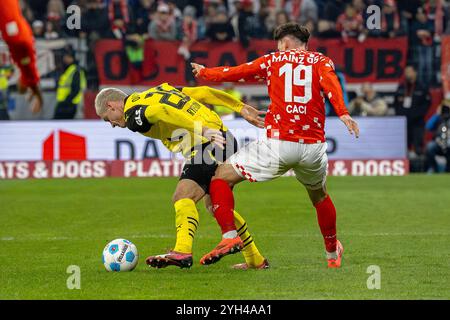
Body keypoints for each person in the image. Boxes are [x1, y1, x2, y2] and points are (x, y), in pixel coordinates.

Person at [192, 22, 359, 269]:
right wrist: (343, 112)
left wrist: (206, 73)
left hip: (279, 144)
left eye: (279, 44)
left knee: (220, 178)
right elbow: (331, 85)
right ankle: (332, 254)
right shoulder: (321, 61)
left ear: (285, 43)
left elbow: (235, 72)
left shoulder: (273, 61)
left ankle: (229, 237)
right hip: (312, 147)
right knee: (320, 196)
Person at [95, 83, 269, 270]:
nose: (112, 124)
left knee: (183, 195)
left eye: (107, 119)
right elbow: (203, 92)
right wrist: (240, 107)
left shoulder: (132, 114)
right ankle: (255, 259)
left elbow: (161, 110)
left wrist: (202, 130)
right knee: (216, 207)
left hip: (207, 143)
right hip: (223, 137)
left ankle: (182, 251)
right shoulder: (158, 90)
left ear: (111, 106)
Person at [0, 0, 43, 114]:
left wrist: (35, 92)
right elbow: (30, 72)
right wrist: (37, 94)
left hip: (18, 33)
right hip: (16, 35)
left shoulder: (23, 64)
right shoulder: (24, 65)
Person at [392, 65, 431, 156]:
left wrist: (416, 115)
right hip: (403, 122)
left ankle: (420, 167)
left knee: (418, 145)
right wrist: (400, 115)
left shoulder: (422, 87)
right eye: (406, 72)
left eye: (409, 71)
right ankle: (405, 166)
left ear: (415, 73)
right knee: (403, 145)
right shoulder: (401, 87)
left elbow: (426, 104)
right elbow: (395, 103)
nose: (407, 74)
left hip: (417, 122)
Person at [54, 46, 86, 119]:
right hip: (65, 103)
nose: (64, 59)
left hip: (69, 105)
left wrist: (66, 102)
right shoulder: (69, 69)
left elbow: (76, 89)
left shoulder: (75, 70)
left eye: (67, 57)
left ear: (72, 58)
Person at [425, 99, 450, 173]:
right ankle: (433, 168)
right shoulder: (438, 118)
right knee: (430, 147)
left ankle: (447, 169)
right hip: (439, 143)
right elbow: (428, 126)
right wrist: (437, 114)